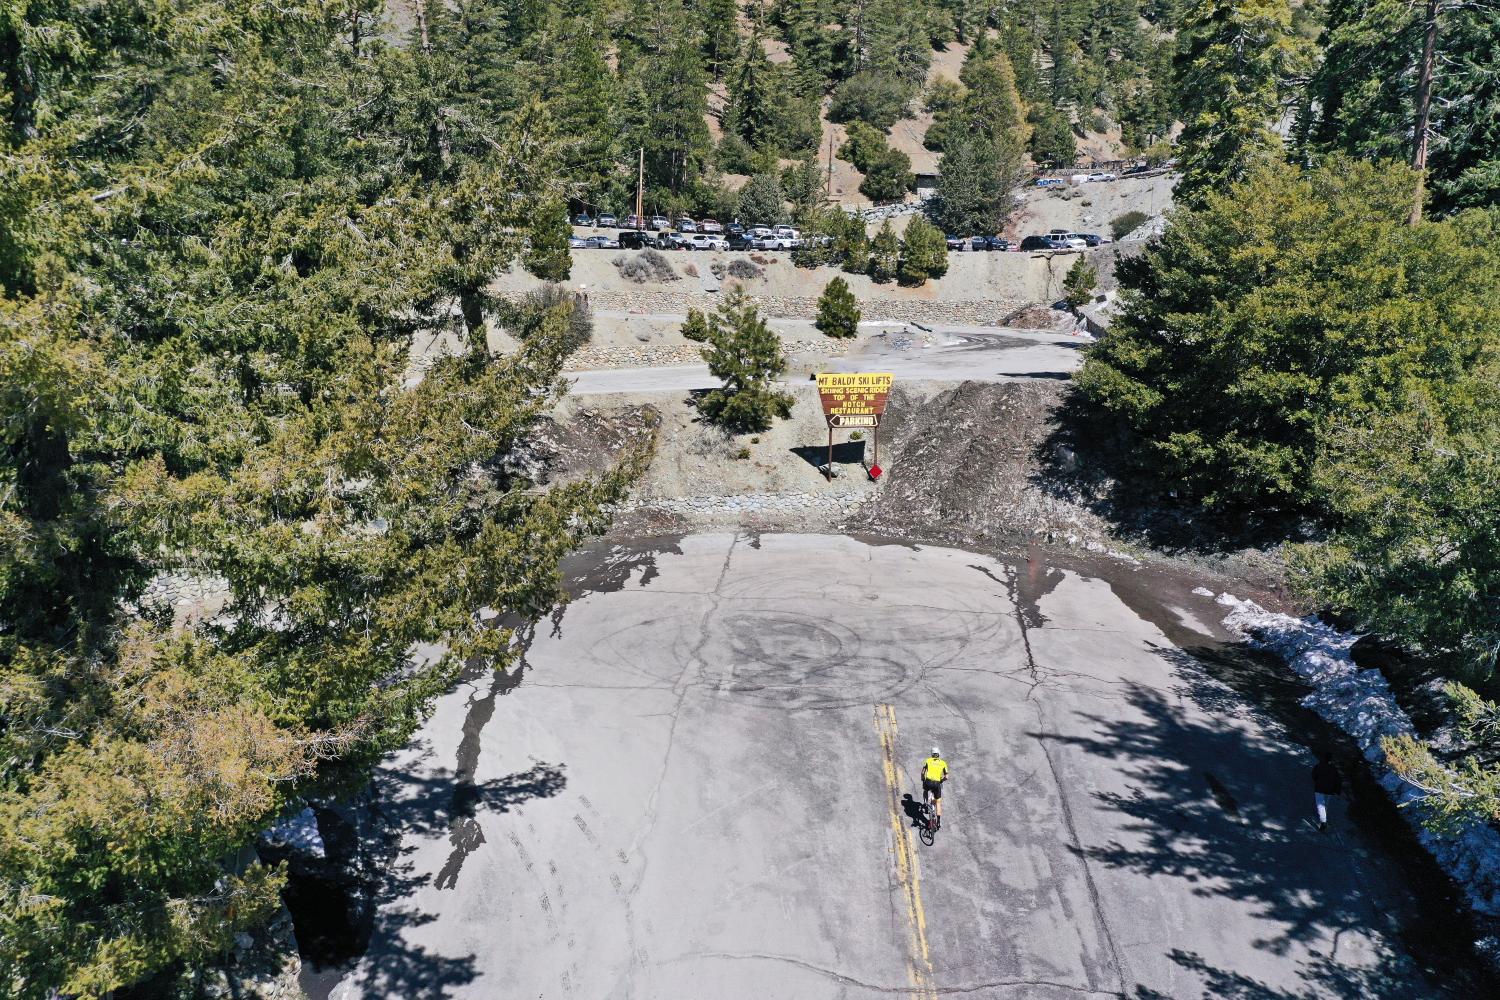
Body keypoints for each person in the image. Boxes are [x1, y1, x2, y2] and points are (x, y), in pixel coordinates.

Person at [1312, 751, 1343, 833]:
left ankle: (1323, 822)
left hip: (1319, 787)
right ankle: (1324, 818)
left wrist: (1317, 781)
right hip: (1330, 790)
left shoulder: (1319, 765)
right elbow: (1338, 780)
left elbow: (1314, 775)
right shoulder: (1334, 769)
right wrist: (1338, 791)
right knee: (1325, 804)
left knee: (1320, 805)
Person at [922, 747, 949, 829]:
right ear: (939, 754)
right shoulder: (943, 763)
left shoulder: (928, 760)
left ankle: (926, 804)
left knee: (925, 790)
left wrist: (923, 779)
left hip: (928, 782)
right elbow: (947, 777)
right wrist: (941, 780)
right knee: (938, 802)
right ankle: (938, 821)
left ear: (932, 754)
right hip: (937, 784)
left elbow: (923, 772)